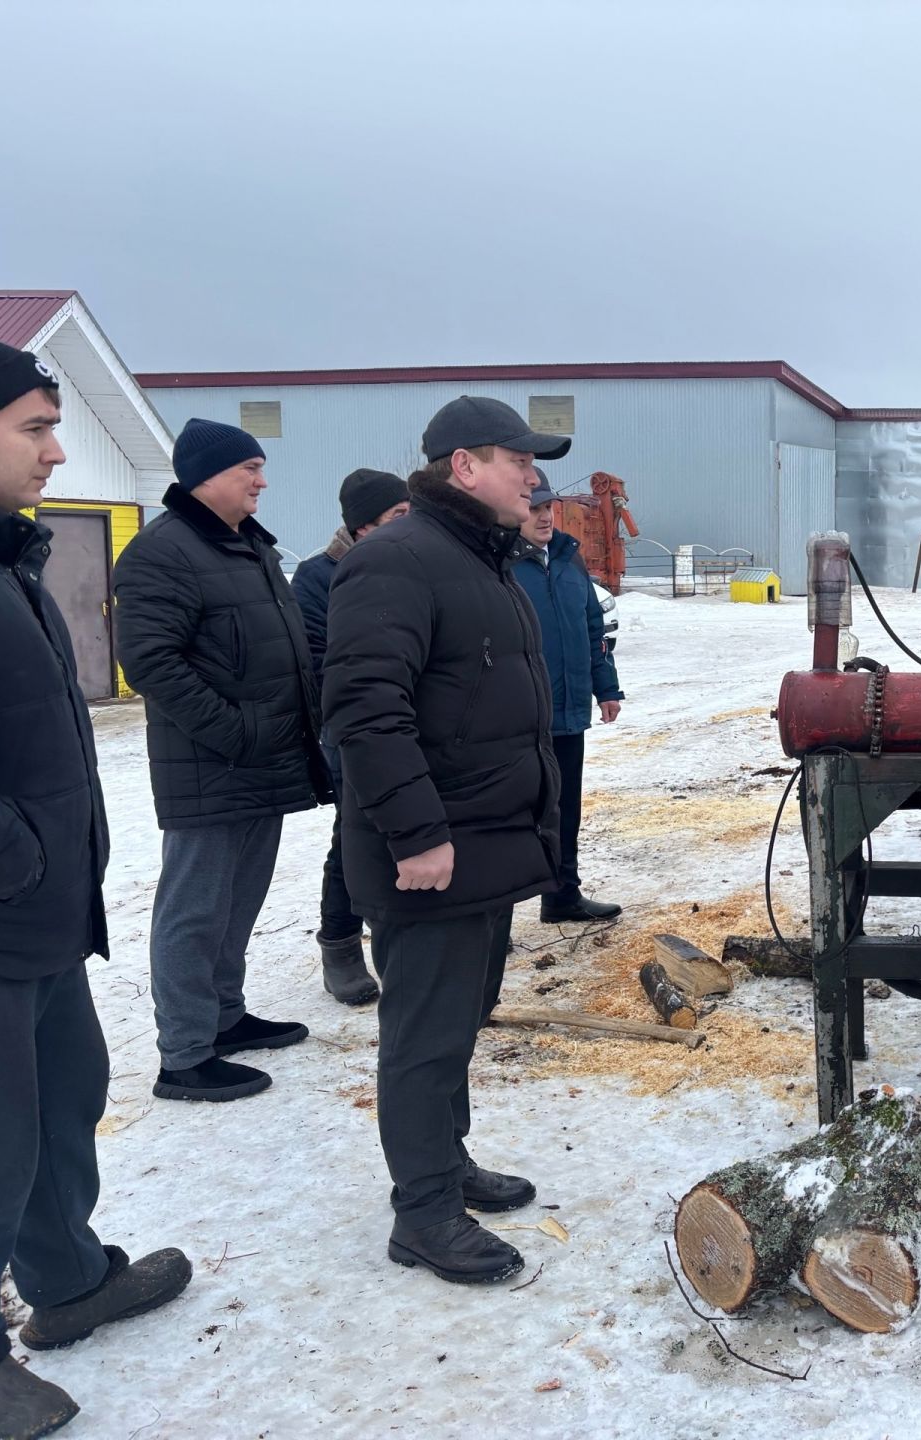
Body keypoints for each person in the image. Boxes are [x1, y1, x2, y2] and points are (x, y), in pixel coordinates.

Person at [0, 332, 191, 1439]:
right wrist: (13, 857)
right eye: (34, 429)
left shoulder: (0, 559)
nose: (57, 452)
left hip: (42, 916)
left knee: (65, 1101)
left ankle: (66, 1279)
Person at [322, 396, 567, 1285]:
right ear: (465, 466)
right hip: (435, 852)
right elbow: (365, 710)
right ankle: (423, 1213)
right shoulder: (397, 560)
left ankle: (444, 1161)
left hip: (486, 843)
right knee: (423, 1037)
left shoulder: (477, 558)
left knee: (459, 1020)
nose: (532, 478)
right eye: (518, 461)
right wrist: (417, 833)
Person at [114, 419, 329, 1104]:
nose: (262, 481)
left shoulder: (246, 546)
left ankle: (224, 1018)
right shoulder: (163, 552)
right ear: (206, 476)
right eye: (250, 469)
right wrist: (235, 733)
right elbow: (151, 662)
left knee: (238, 901)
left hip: (263, 759)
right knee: (195, 910)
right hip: (214, 764)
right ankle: (184, 1055)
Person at [291, 468, 411, 1005]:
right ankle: (340, 944)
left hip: (412, 724)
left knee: (414, 829)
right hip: (352, 730)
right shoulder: (318, 577)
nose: (409, 524)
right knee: (356, 837)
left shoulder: (414, 565)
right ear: (363, 526)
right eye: (398, 515)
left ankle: (409, 934)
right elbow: (316, 661)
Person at [518, 469, 624, 923]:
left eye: (548, 507)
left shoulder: (567, 558)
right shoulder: (497, 564)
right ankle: (493, 917)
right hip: (518, 716)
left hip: (567, 711)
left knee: (565, 808)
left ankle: (563, 895)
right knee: (512, 812)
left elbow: (592, 629)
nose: (544, 517)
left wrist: (606, 687)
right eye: (533, 508)